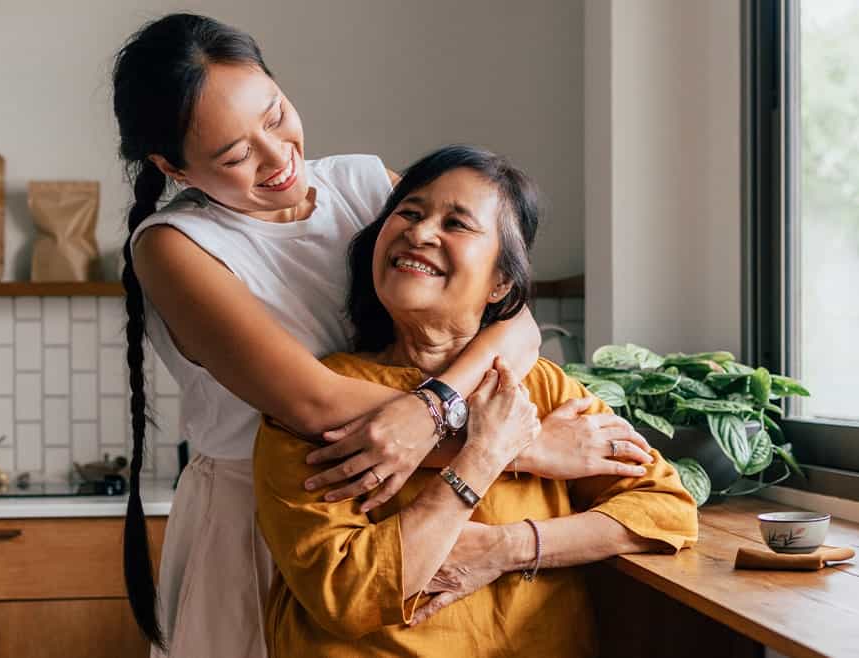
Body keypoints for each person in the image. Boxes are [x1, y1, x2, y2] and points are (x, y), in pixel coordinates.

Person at [112, 14, 656, 656]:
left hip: (406, 504)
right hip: (277, 512)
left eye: (275, 114)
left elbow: (513, 319)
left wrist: (437, 409)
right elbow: (312, 405)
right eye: (234, 155)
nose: (277, 155)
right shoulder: (174, 247)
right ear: (171, 165)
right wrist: (515, 448)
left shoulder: (368, 184)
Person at [253, 145, 700, 657]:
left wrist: (506, 547)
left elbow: (666, 509)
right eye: (410, 213)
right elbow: (347, 592)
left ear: (501, 282)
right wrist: (483, 456)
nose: (420, 233)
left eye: (458, 224)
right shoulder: (317, 401)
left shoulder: (541, 388)